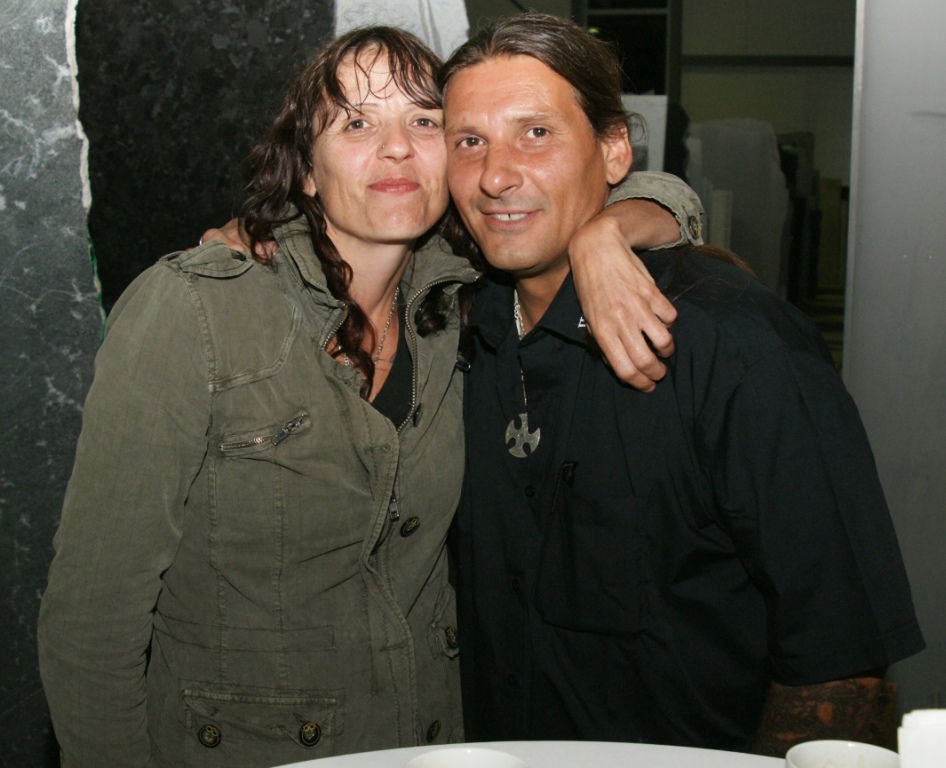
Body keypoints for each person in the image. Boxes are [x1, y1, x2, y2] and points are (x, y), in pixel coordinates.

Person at [37, 25, 702, 768]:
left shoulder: (468, 302)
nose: (395, 150)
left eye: (425, 122)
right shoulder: (196, 311)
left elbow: (652, 189)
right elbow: (91, 620)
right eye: (356, 124)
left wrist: (604, 234)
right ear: (306, 169)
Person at [445, 13, 925, 757]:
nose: (495, 174)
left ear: (613, 151)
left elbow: (839, 660)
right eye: (468, 141)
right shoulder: (456, 336)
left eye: (535, 133)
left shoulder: (737, 347)